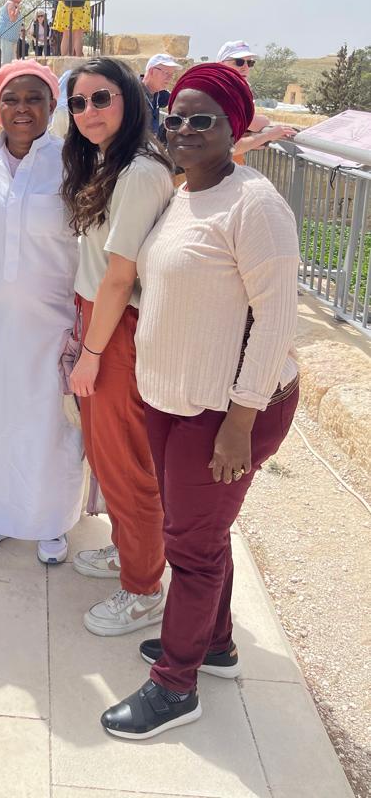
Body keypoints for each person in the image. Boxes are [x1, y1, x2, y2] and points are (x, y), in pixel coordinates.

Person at [101, 62, 300, 739]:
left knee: (192, 547)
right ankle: (214, 643)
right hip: (173, 399)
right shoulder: (186, 194)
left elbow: (276, 319)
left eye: (202, 119)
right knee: (200, 533)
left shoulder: (255, 205)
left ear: (234, 128)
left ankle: (175, 685)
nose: (183, 129)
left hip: (224, 410)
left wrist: (240, 421)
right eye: (175, 117)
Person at [61, 58, 174, 638]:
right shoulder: (115, 162)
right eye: (77, 103)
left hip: (116, 328)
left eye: (100, 98)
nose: (87, 113)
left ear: (130, 97)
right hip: (101, 321)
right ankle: (132, 554)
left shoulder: (137, 172)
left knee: (123, 461)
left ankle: (143, 588)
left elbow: (119, 277)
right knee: (109, 454)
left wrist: (92, 354)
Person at [0, 60, 84, 563]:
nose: (22, 108)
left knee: (49, 420)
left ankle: (50, 520)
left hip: (53, 318)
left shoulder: (75, 159)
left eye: (35, 98)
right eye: (11, 99)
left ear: (53, 106)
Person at [216, 41, 296, 155]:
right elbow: (251, 124)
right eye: (239, 62)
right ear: (221, 64)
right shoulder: (223, 89)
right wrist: (266, 134)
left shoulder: (239, 87)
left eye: (250, 63)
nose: (245, 67)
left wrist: (251, 139)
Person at [141, 53, 181, 136]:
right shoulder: (132, 94)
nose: (169, 78)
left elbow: (180, 99)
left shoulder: (160, 94)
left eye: (171, 75)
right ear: (152, 71)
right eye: (166, 73)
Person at [0, 0, 23, 66]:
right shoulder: (10, 4)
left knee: (12, 60)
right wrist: (18, 9)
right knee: (7, 60)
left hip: (11, 37)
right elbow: (13, 18)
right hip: (6, 35)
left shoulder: (14, 5)